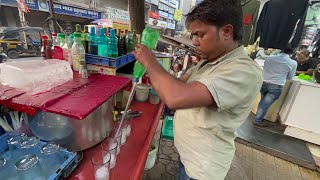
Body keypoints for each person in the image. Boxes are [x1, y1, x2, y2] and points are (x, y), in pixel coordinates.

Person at [133, 1, 263, 179]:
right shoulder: (208, 62)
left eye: (200, 35)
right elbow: (179, 84)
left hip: (203, 169)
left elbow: (175, 97)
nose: (194, 42)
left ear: (226, 31)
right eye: (193, 35)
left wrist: (150, 61)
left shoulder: (244, 71)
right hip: (188, 156)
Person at [254, 45, 297, 127]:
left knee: (263, 101)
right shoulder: (293, 63)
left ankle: (258, 117)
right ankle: (257, 120)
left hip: (263, 82)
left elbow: (265, 67)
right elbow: (290, 77)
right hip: (276, 85)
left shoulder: (270, 57)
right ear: (292, 53)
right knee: (265, 104)